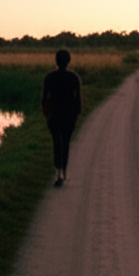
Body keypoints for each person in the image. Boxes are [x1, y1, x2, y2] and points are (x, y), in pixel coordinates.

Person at [41, 49, 82, 186]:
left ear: (56, 61)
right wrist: (76, 115)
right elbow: (78, 101)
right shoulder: (74, 77)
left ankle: (58, 172)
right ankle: (63, 171)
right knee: (65, 143)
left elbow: (44, 99)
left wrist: (47, 114)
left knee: (56, 143)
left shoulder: (50, 77)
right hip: (69, 116)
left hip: (54, 116)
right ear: (68, 61)